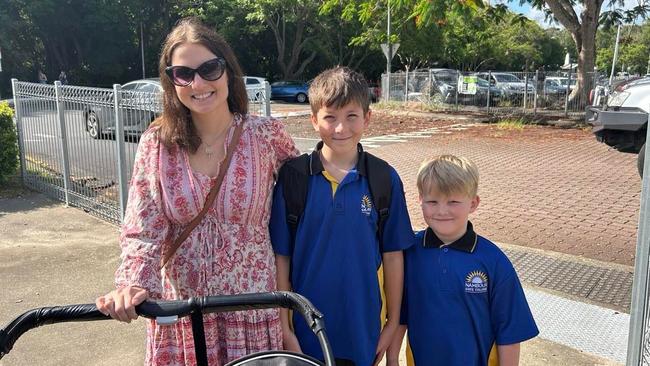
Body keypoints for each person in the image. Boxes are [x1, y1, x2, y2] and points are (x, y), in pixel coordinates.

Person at [95, 18, 298, 365]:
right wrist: (133, 281)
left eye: (209, 69)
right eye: (183, 74)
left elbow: (307, 197)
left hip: (248, 311)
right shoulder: (157, 144)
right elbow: (142, 227)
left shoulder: (265, 136)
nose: (198, 83)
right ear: (171, 81)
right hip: (182, 314)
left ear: (227, 70)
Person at [269, 66, 415, 366]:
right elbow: (281, 259)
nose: (340, 128)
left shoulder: (383, 179)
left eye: (351, 116)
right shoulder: (294, 177)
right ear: (313, 120)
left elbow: (393, 255)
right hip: (305, 328)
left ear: (367, 117)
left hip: (364, 328)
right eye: (330, 117)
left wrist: (392, 323)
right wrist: (285, 327)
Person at [387, 155, 538, 366]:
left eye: (453, 202)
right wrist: (392, 359)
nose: (442, 211)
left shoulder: (493, 261)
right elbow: (399, 316)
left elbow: (509, 331)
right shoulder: (410, 253)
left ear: (473, 203)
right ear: (420, 199)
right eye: (432, 201)